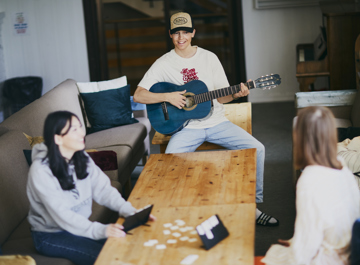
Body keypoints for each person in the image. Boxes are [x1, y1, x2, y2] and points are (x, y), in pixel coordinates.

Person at [133, 11, 278, 226]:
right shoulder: (163, 63)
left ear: (193, 32)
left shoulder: (209, 58)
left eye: (185, 32)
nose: (181, 38)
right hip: (186, 128)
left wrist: (237, 93)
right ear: (170, 35)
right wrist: (168, 97)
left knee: (258, 148)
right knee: (170, 161)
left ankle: (251, 206)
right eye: (176, 33)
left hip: (217, 122)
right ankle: (181, 210)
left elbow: (222, 97)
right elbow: (138, 95)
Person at [27, 111, 155, 265]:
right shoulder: (41, 171)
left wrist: (131, 212)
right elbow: (63, 215)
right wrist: (101, 230)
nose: (82, 133)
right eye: (74, 130)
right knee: (110, 259)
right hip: (51, 235)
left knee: (130, 247)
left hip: (79, 226)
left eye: (80, 127)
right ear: (57, 138)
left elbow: (104, 191)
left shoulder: (81, 157)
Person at [262, 106, 360, 265]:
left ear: (300, 138)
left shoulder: (309, 179)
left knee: (273, 254)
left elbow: (306, 249)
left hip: (331, 258)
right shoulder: (340, 164)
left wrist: (291, 248)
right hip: (350, 248)